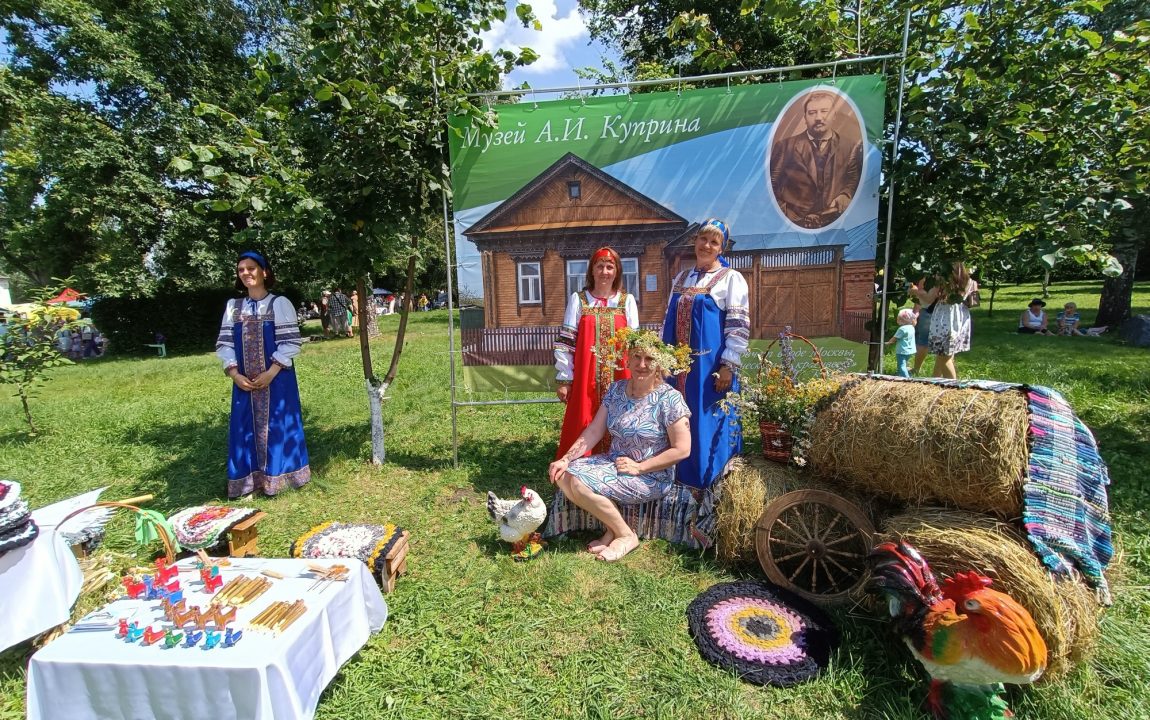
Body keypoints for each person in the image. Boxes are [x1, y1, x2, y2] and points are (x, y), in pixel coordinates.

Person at [548, 329, 692, 563]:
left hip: (651, 474)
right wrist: (566, 458)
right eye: (636, 356)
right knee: (564, 475)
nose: (642, 364)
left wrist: (640, 467)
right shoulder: (616, 390)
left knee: (579, 483)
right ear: (628, 359)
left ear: (660, 363)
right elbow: (594, 430)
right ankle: (613, 529)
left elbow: (682, 449)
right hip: (614, 463)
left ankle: (626, 536)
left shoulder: (670, 398)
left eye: (649, 359)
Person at [661, 218, 750, 489]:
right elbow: (668, 321)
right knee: (678, 419)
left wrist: (728, 365)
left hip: (710, 368)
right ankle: (679, 480)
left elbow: (738, 325)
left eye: (714, 242)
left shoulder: (731, 279)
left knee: (708, 419)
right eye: (703, 239)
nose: (707, 245)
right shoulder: (681, 278)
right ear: (695, 241)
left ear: (721, 249)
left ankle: (712, 482)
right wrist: (663, 360)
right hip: (679, 368)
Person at [215, 251, 311, 499]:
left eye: (251, 268)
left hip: (277, 379)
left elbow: (291, 342)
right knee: (244, 426)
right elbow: (224, 343)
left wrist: (272, 371)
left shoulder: (279, 303)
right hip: (244, 381)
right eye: (241, 270)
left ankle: (281, 477)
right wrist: (235, 374)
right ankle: (248, 481)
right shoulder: (233, 307)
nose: (246, 273)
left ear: (264, 272)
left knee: (278, 423)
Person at [554, 247, 640, 458]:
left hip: (620, 377)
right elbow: (566, 342)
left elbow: (635, 345)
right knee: (583, 417)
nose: (604, 271)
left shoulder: (626, 301)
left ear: (617, 272)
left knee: (621, 417)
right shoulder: (579, 300)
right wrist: (565, 378)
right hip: (586, 378)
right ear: (592, 271)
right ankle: (578, 468)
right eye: (599, 266)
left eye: (610, 267)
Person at [769, 91, 863, 229]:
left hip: (833, 223)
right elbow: (771, 185)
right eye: (812, 113)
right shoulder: (785, 146)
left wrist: (845, 194)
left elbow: (853, 178)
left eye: (824, 111)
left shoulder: (850, 146)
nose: (819, 117)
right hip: (792, 224)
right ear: (805, 118)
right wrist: (786, 214)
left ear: (834, 115)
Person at [912, 261, 978, 380]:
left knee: (944, 357)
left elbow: (928, 298)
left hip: (944, 318)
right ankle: (936, 380)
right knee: (946, 354)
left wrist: (914, 291)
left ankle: (953, 388)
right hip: (961, 319)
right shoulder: (969, 280)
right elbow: (974, 302)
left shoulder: (942, 279)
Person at [886, 308, 917, 378]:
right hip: (910, 350)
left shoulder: (902, 329)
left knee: (901, 366)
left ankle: (907, 379)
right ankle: (903, 375)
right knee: (904, 363)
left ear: (902, 320)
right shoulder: (912, 327)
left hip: (902, 350)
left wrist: (888, 342)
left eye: (898, 318)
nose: (896, 320)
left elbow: (895, 338)